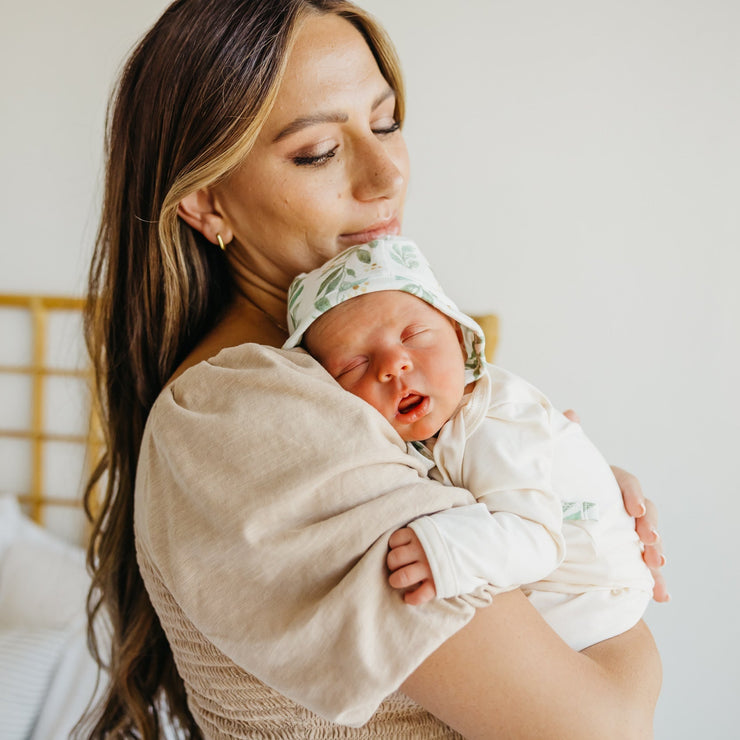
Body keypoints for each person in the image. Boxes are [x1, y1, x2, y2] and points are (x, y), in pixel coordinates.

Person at [79, 1, 665, 738]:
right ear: (204, 199)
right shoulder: (246, 414)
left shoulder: (351, 384)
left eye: (385, 123)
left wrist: (560, 491)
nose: (387, 173)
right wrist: (615, 594)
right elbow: (599, 729)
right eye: (318, 151)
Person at [284, 236, 655, 652]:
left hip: (590, 593)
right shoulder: (429, 429)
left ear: (462, 341)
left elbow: (537, 540)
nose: (393, 365)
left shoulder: (493, 422)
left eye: (414, 334)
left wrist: (447, 551)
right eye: (354, 365)